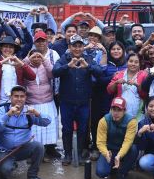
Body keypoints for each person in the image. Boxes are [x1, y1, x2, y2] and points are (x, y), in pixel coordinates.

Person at [53, 35, 104, 165]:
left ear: (83, 47)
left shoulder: (89, 59)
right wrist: (67, 66)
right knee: (67, 129)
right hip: (66, 102)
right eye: (74, 46)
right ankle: (68, 154)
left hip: (84, 103)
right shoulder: (64, 59)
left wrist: (88, 67)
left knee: (83, 129)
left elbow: (99, 72)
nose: (77, 48)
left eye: (80, 45)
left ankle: (81, 153)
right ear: (69, 47)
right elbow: (54, 72)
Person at [0, 85, 50, 179]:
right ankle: (11, 164)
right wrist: (8, 114)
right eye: (16, 96)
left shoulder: (29, 112)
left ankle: (32, 175)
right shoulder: (3, 109)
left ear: (25, 98)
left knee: (39, 147)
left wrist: (37, 113)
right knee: (4, 173)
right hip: (4, 151)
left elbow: (47, 122)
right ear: (11, 97)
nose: (19, 99)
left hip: (21, 149)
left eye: (22, 96)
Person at [95, 97, 139, 179]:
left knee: (134, 148)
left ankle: (122, 173)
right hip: (110, 150)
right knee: (101, 172)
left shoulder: (132, 121)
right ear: (110, 110)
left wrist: (119, 155)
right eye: (113, 109)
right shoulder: (104, 121)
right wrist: (106, 153)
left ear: (124, 111)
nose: (116, 113)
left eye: (119, 110)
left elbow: (128, 142)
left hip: (124, 151)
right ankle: (112, 169)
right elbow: (100, 142)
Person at [24, 48, 60, 158]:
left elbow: (53, 73)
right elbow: (19, 68)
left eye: (37, 56)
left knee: (49, 126)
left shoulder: (45, 65)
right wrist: (27, 60)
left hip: (47, 100)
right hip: (32, 102)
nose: (36, 58)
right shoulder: (26, 66)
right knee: (35, 129)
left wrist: (44, 59)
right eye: (33, 56)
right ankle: (34, 152)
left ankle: (50, 149)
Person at [0, 36, 36, 106]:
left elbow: (32, 76)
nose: (8, 49)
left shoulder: (19, 63)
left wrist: (21, 64)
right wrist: (2, 62)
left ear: (14, 49)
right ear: (1, 48)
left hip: (17, 103)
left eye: (11, 47)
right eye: (5, 46)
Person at [107, 53, 146, 120]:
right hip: (118, 109)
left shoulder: (144, 75)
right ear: (127, 62)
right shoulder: (119, 74)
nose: (133, 64)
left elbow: (145, 93)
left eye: (136, 62)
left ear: (140, 64)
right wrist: (116, 83)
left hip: (137, 109)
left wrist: (136, 84)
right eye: (131, 61)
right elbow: (109, 90)